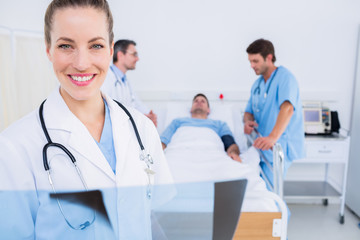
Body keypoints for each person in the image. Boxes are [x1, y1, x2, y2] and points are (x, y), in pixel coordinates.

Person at [0, 0, 174, 239]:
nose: (81, 64)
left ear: (111, 50)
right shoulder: (15, 146)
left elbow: (154, 216)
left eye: (96, 45)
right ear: (48, 50)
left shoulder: (141, 128)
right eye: (66, 46)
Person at [243, 38, 305, 187]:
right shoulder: (257, 84)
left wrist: (272, 138)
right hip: (262, 147)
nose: (252, 65)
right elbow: (248, 111)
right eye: (250, 61)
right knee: (260, 189)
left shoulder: (285, 78)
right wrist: (248, 121)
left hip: (278, 146)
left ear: (269, 58)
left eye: (255, 61)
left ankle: (282, 212)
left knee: (270, 195)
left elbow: (288, 108)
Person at [161, 93, 242, 162]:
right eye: (196, 101)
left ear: (208, 110)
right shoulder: (177, 122)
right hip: (177, 154)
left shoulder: (219, 124)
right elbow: (162, 142)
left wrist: (233, 154)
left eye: (203, 101)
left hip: (213, 155)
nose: (199, 102)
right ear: (191, 109)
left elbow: (230, 144)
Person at [101, 39, 158, 126]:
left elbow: (136, 103)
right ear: (120, 55)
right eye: (134, 54)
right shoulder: (106, 78)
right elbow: (107, 109)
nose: (137, 58)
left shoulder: (125, 81)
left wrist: (149, 115)